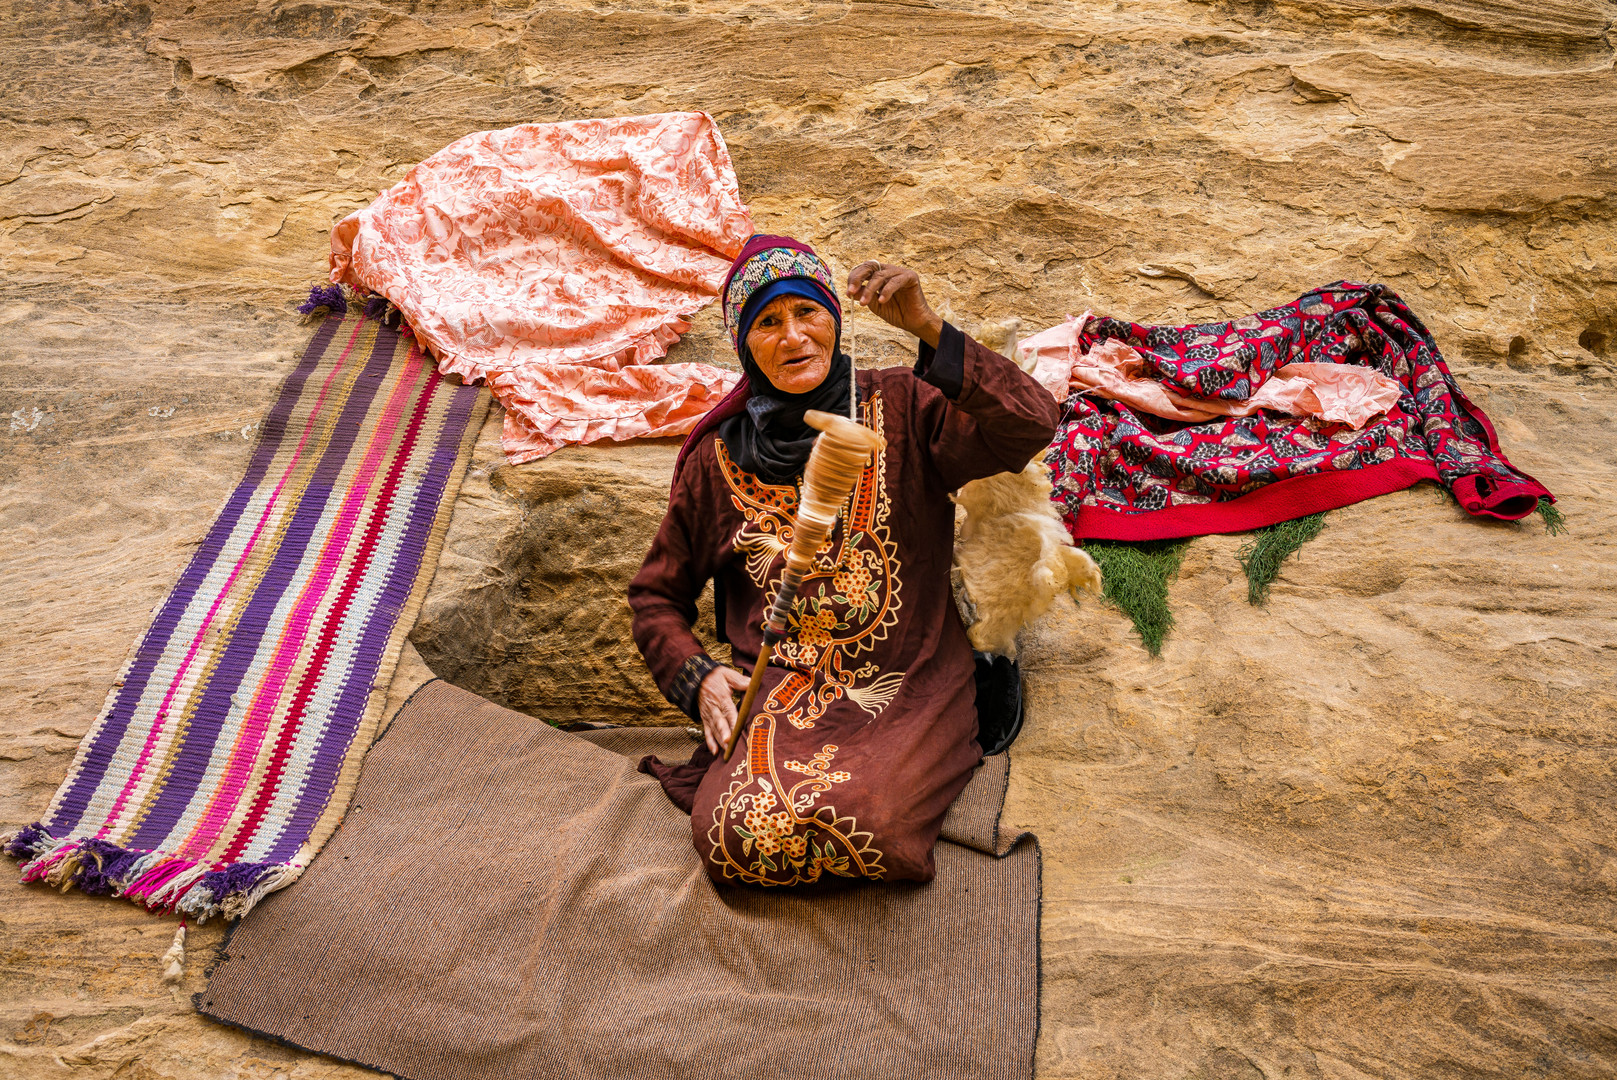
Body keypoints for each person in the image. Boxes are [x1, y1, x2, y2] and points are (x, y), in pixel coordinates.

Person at [628, 235, 1057, 886]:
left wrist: (924, 326)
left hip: (907, 682)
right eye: (767, 323)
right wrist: (699, 677)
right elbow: (655, 598)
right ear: (744, 343)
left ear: (834, 317)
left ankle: (969, 704)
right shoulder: (718, 462)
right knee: (732, 837)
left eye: (807, 313)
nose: (793, 337)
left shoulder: (902, 407)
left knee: (871, 826)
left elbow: (1029, 421)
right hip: (782, 693)